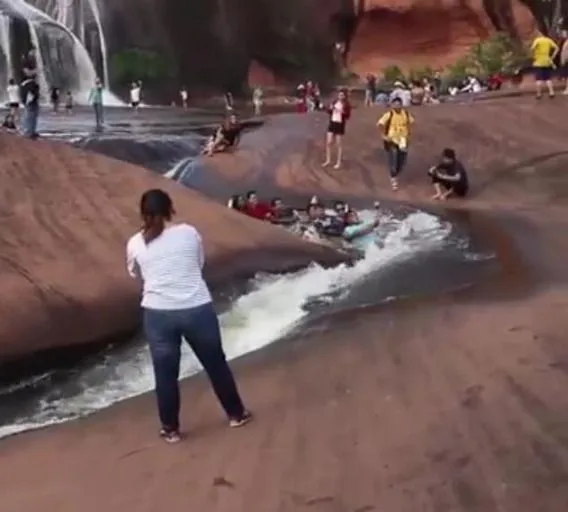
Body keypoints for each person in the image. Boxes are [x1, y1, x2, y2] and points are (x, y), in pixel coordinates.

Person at [126, 189, 252, 444]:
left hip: (158, 313)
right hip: (196, 307)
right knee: (216, 364)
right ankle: (236, 415)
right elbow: (198, 263)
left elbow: (135, 274)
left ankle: (170, 429)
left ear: (143, 212)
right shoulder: (188, 233)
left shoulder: (135, 243)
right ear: (170, 209)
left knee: (165, 374)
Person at [377, 97, 415, 191]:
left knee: (402, 160)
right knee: (393, 158)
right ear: (392, 105)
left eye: (399, 104)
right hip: (392, 140)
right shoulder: (389, 114)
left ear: (401, 105)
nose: (397, 106)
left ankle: (395, 173)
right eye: (395, 104)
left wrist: (409, 135)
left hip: (403, 140)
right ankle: (393, 178)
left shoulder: (406, 114)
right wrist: (384, 136)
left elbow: (411, 123)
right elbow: (380, 124)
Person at [322, 89, 351, 169]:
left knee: (338, 144)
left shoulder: (346, 105)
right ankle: (328, 160)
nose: (340, 96)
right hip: (332, 123)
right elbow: (329, 111)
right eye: (339, 95)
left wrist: (342, 111)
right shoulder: (335, 102)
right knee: (328, 142)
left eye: (342, 95)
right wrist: (330, 109)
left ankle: (338, 162)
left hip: (340, 124)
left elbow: (348, 116)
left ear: (344, 96)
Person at [530, 32, 559, 99]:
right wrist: (552, 57)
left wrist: (534, 55)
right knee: (548, 78)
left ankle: (539, 94)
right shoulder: (548, 40)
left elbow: (532, 48)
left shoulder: (537, 40)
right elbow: (557, 48)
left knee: (538, 79)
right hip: (547, 61)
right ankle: (551, 92)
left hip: (538, 62)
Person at [20, 48, 39, 138]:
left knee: (35, 111)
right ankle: (27, 131)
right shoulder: (26, 62)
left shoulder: (32, 62)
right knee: (29, 109)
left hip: (32, 86)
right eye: (33, 52)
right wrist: (36, 71)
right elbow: (27, 73)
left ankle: (32, 130)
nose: (34, 53)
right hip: (28, 87)